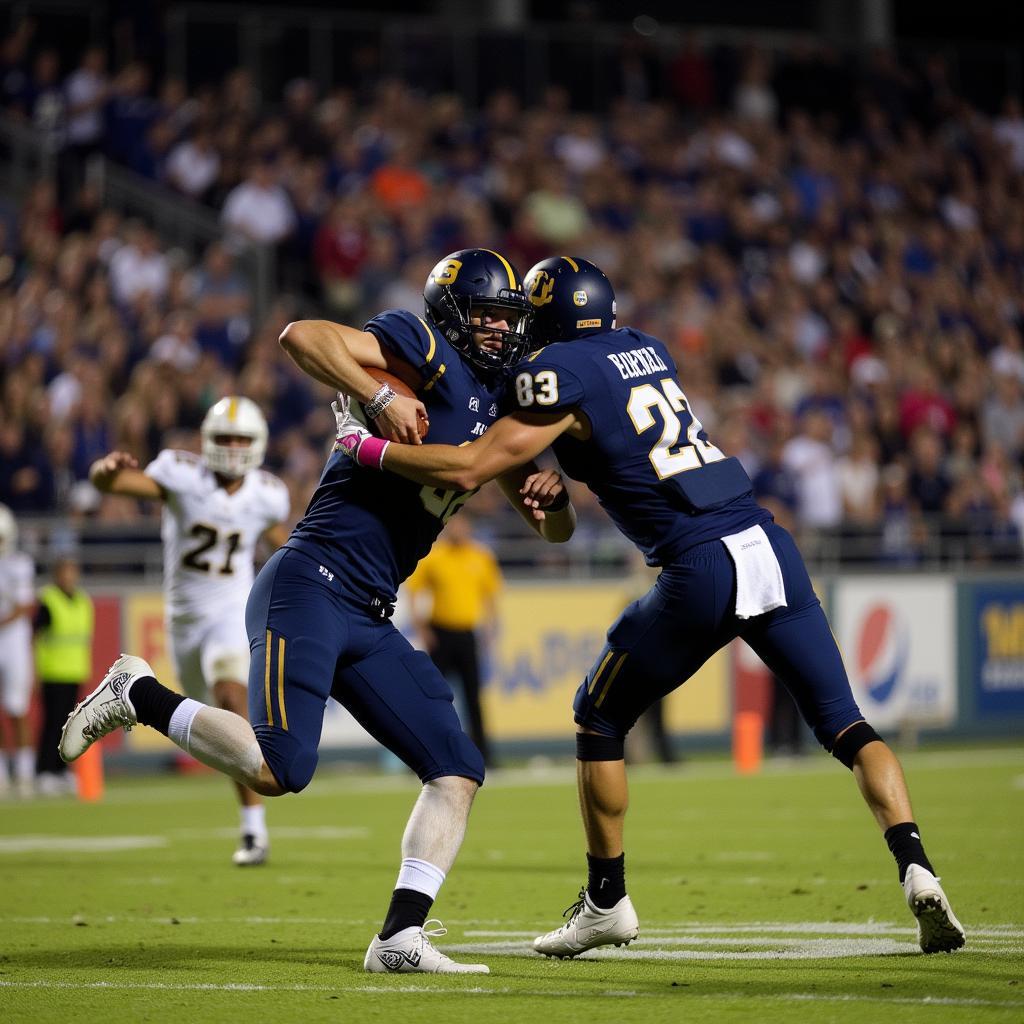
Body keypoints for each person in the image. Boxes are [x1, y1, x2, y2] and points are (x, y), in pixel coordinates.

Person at [336, 255, 966, 958]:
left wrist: (369, 449)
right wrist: (550, 478)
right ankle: (917, 869)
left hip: (698, 563)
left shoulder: (553, 372)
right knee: (846, 725)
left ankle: (607, 901)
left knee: (598, 717)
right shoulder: (646, 347)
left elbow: (477, 464)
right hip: (765, 542)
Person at [60, 249, 576, 974]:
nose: (499, 330)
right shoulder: (420, 346)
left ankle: (398, 939)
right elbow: (301, 335)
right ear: (455, 313)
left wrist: (555, 503)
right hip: (309, 582)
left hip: (369, 610)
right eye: (488, 314)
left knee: (456, 766)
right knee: (280, 767)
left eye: (507, 317)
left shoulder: (505, 412)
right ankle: (135, 692)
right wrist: (379, 393)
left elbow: (554, 529)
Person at [86, 396, 290, 865]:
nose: (233, 447)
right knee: (211, 730)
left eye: (241, 438)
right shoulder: (182, 476)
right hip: (183, 619)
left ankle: (254, 832)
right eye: (224, 438)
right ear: (207, 442)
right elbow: (116, 483)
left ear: (257, 444)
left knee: (230, 695)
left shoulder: (266, 495)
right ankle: (250, 818)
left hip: (231, 612)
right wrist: (105, 468)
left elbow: (285, 542)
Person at [406, 512, 502, 767]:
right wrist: (422, 628)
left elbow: (490, 597)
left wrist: (490, 629)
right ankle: (427, 753)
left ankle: (484, 755)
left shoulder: (480, 556)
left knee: (473, 698)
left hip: (467, 633)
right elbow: (414, 592)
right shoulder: (435, 556)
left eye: (463, 524)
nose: (458, 529)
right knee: (436, 696)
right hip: (440, 632)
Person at [34, 554, 94, 795]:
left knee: (69, 724)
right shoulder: (49, 601)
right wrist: (34, 671)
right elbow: (36, 636)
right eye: (64, 572)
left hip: (75, 671)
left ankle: (62, 769)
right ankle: (44, 771)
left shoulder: (82, 601)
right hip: (52, 671)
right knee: (52, 723)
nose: (69, 577)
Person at [0, 503, 35, 797]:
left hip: (13, 641)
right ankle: (2, 774)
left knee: (17, 707)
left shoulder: (20, 563)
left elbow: (24, 605)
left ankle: (24, 773)